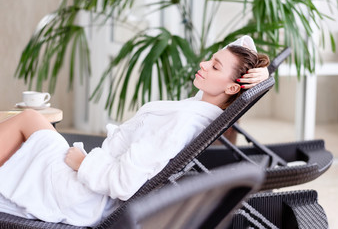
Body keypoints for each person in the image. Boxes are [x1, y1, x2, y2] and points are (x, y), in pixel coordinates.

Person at [0, 35, 270, 226]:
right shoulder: (204, 108)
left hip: (85, 194)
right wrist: (264, 72)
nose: (203, 64)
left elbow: (124, 183)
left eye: (214, 66)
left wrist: (83, 163)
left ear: (233, 88)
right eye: (210, 60)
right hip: (90, 184)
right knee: (30, 130)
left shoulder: (183, 123)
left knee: (29, 120)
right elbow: (242, 44)